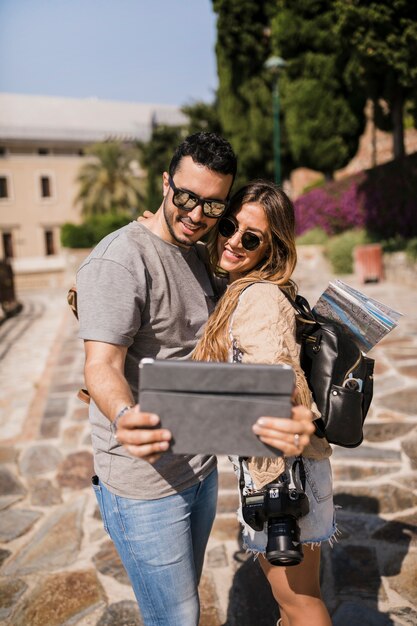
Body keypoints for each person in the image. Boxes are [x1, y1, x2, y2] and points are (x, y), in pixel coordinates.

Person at [76, 132, 314, 626]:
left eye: (212, 205)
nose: (195, 213)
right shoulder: (120, 259)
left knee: (187, 603)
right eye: (184, 196)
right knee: (177, 618)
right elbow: (100, 364)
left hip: (201, 469)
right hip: (145, 483)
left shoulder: (201, 250)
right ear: (165, 184)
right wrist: (123, 412)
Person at [193, 180, 335, 626]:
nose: (233, 240)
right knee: (291, 601)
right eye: (229, 226)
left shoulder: (257, 297)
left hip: (282, 474)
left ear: (270, 248)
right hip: (281, 469)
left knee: (300, 602)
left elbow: (277, 385)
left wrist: (271, 488)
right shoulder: (241, 288)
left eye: (250, 238)